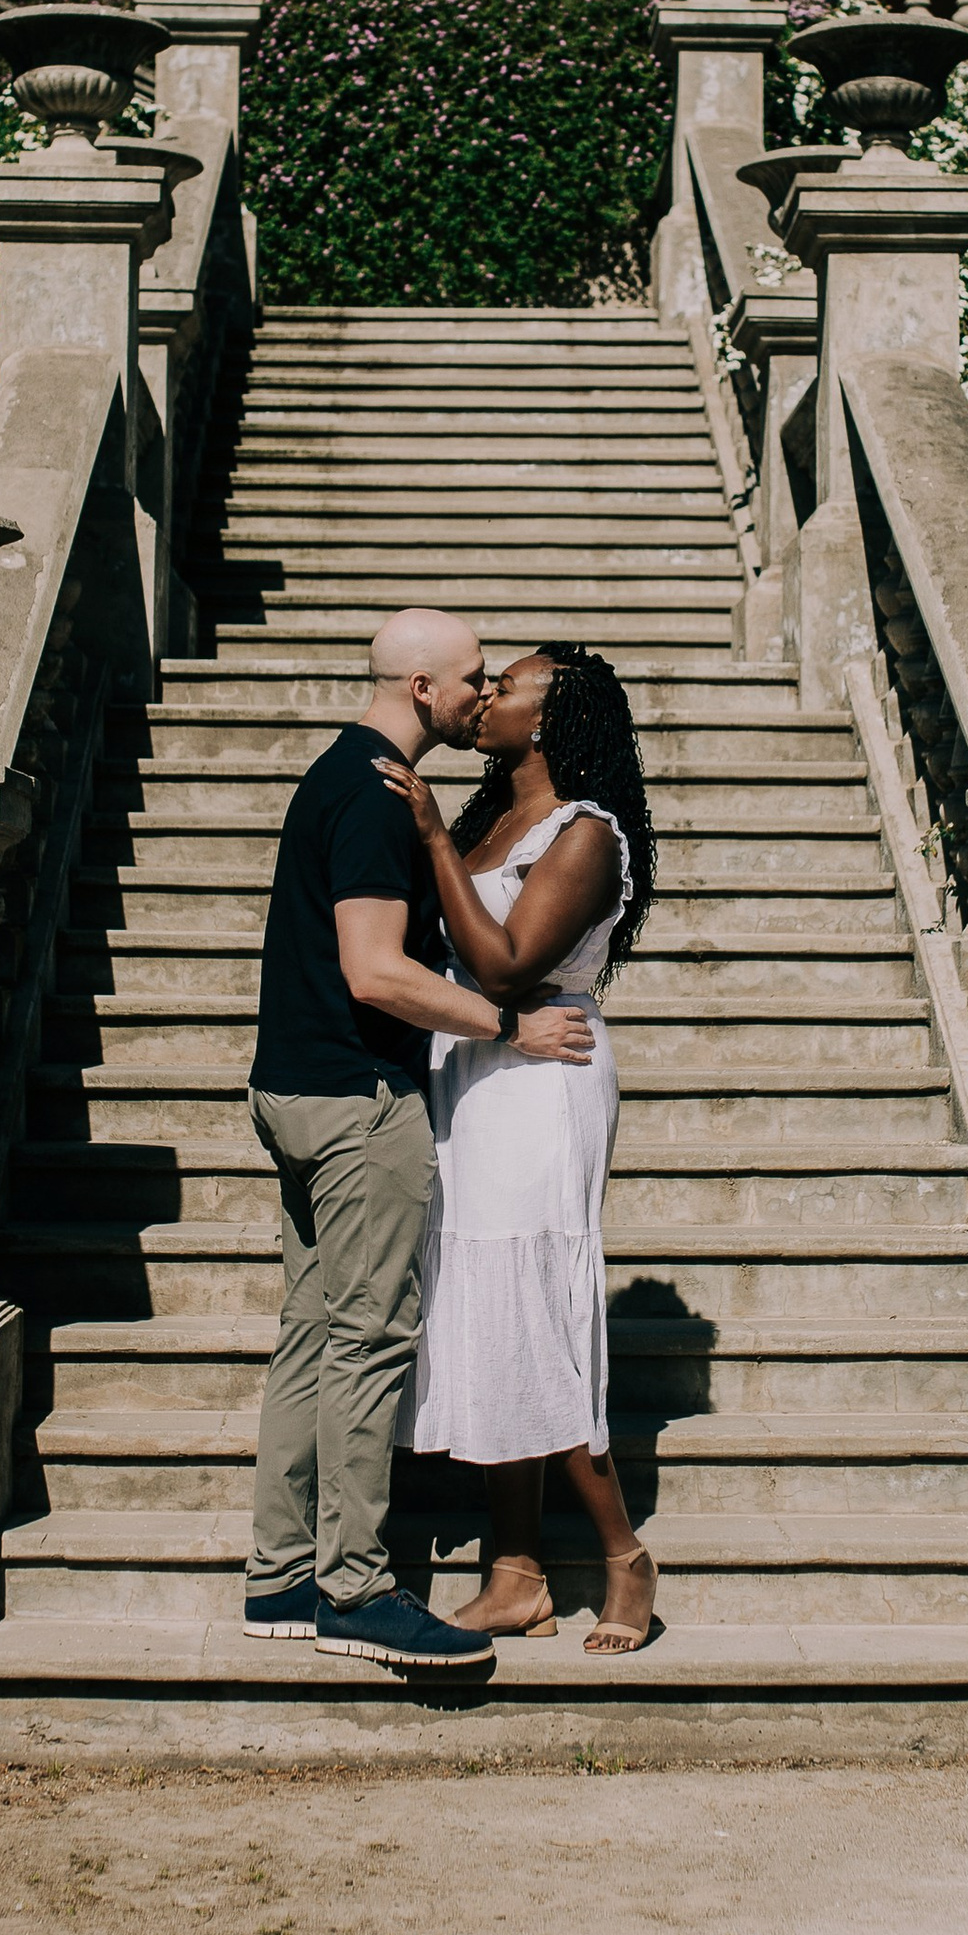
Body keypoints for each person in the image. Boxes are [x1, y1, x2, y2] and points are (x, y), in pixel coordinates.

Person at [244, 604, 594, 1671]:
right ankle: (351, 1585)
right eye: (473, 678)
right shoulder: (373, 793)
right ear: (420, 689)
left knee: (314, 1332)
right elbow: (374, 969)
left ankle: (280, 1577)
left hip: (295, 1090)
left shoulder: (339, 774)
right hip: (356, 1103)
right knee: (368, 1341)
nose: (483, 694)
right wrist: (508, 1024)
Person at [377, 643, 661, 1656]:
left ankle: (624, 1555)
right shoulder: (491, 816)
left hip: (546, 1075)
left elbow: (502, 963)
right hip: (476, 1071)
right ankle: (515, 1571)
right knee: (487, 1305)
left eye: (508, 685)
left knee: (535, 1305)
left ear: (547, 721)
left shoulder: (584, 835)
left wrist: (428, 837)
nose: (486, 694)